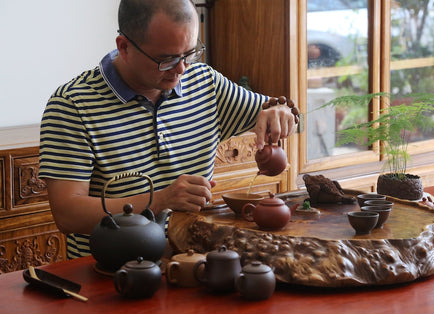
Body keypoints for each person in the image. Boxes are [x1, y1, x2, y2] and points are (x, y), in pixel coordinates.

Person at [39, 0, 297, 259]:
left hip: (192, 264)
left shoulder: (205, 84)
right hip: (110, 275)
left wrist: (281, 112)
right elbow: (68, 215)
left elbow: (289, 117)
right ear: (124, 47)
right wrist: (159, 201)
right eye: (166, 59)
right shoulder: (72, 105)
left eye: (189, 53)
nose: (181, 69)